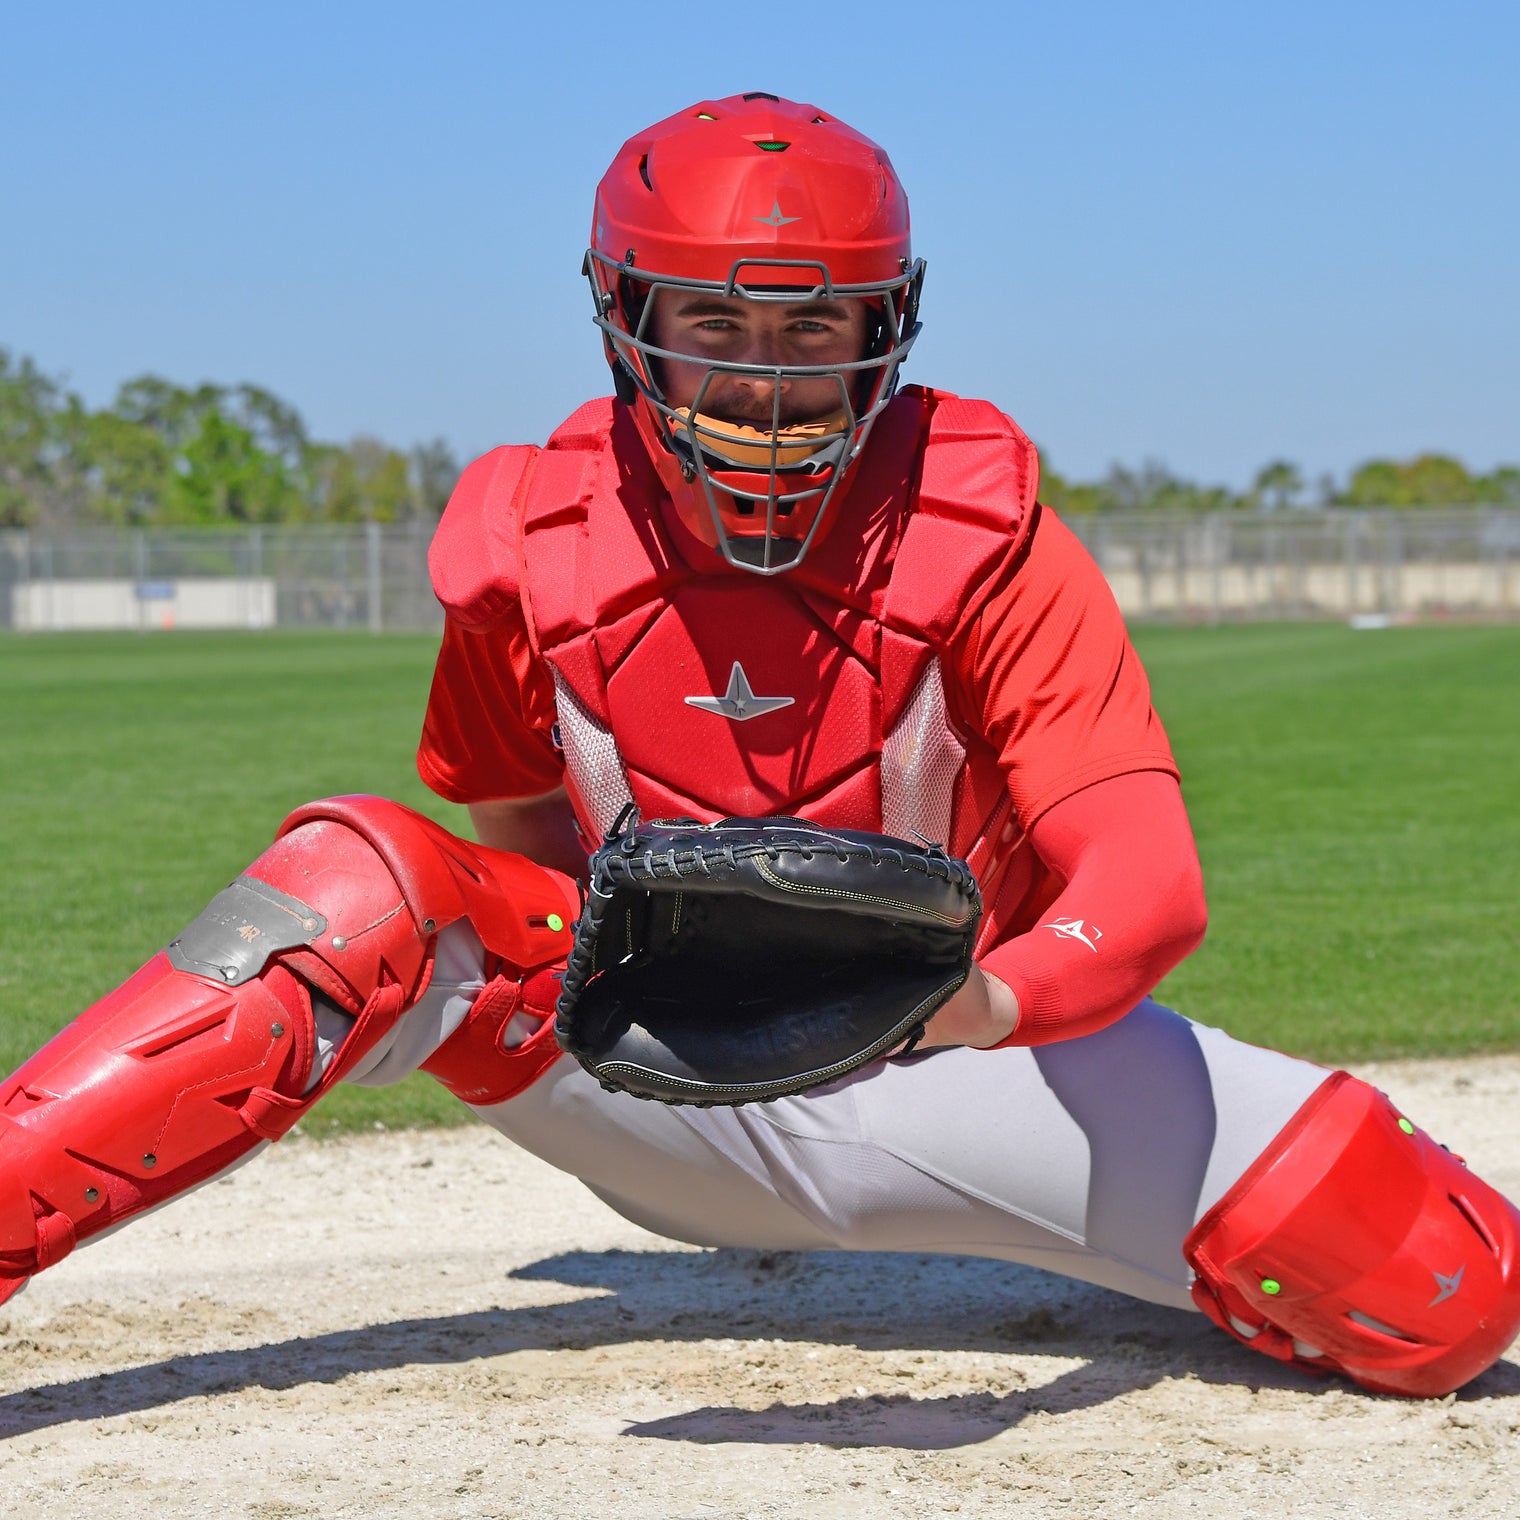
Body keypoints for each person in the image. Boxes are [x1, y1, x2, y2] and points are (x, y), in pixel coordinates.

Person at [2, 92, 1516, 1399]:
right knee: (359, 883)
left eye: (812, 325)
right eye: (715, 323)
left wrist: (978, 1003)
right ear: (629, 317)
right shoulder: (529, 544)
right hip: (656, 1066)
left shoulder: (985, 536)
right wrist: (632, 984)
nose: (766, 376)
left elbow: (1148, 884)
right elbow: (518, 851)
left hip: (953, 1054)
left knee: (1448, 1295)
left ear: (884, 326)